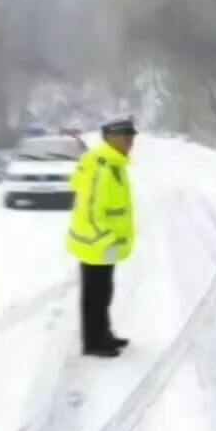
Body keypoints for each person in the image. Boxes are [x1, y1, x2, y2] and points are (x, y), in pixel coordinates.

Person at [67, 117, 137, 357]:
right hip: (96, 243)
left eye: (132, 138)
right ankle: (94, 342)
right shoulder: (103, 167)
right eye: (127, 138)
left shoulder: (113, 163)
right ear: (112, 139)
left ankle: (103, 334)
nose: (131, 143)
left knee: (103, 292)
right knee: (95, 296)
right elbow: (91, 210)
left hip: (103, 245)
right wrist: (107, 239)